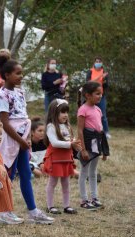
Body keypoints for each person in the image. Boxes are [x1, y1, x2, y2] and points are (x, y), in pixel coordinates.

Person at [0, 60, 54, 224]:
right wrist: (20, 140)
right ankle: (3, 212)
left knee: (26, 174)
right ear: (7, 75)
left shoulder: (20, 92)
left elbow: (23, 118)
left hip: (22, 140)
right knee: (9, 175)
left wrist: (26, 139)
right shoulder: (2, 95)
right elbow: (5, 122)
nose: (21, 76)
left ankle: (33, 211)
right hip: (12, 140)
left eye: (21, 73)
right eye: (17, 73)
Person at [43, 99, 81, 214]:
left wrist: (75, 143)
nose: (65, 115)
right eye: (62, 112)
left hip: (66, 158)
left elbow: (69, 140)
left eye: (66, 112)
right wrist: (70, 144)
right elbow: (54, 143)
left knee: (66, 183)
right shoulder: (51, 126)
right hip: (56, 159)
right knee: (52, 182)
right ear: (54, 113)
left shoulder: (67, 125)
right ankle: (50, 206)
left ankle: (67, 205)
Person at [77, 82, 109, 210]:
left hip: (97, 144)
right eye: (97, 93)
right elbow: (80, 130)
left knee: (93, 172)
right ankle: (84, 200)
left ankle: (94, 198)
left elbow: (100, 131)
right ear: (87, 95)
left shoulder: (98, 109)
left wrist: (104, 150)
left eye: (101, 93)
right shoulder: (83, 110)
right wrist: (83, 149)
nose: (100, 96)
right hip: (87, 144)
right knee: (84, 172)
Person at [86, 57, 110, 138]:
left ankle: (106, 132)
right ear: (94, 63)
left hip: (101, 96)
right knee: (91, 114)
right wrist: (99, 77)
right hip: (91, 95)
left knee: (102, 114)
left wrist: (104, 81)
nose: (98, 63)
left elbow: (106, 85)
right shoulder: (90, 71)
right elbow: (88, 82)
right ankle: (93, 130)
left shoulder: (104, 72)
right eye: (97, 61)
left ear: (102, 63)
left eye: (100, 61)